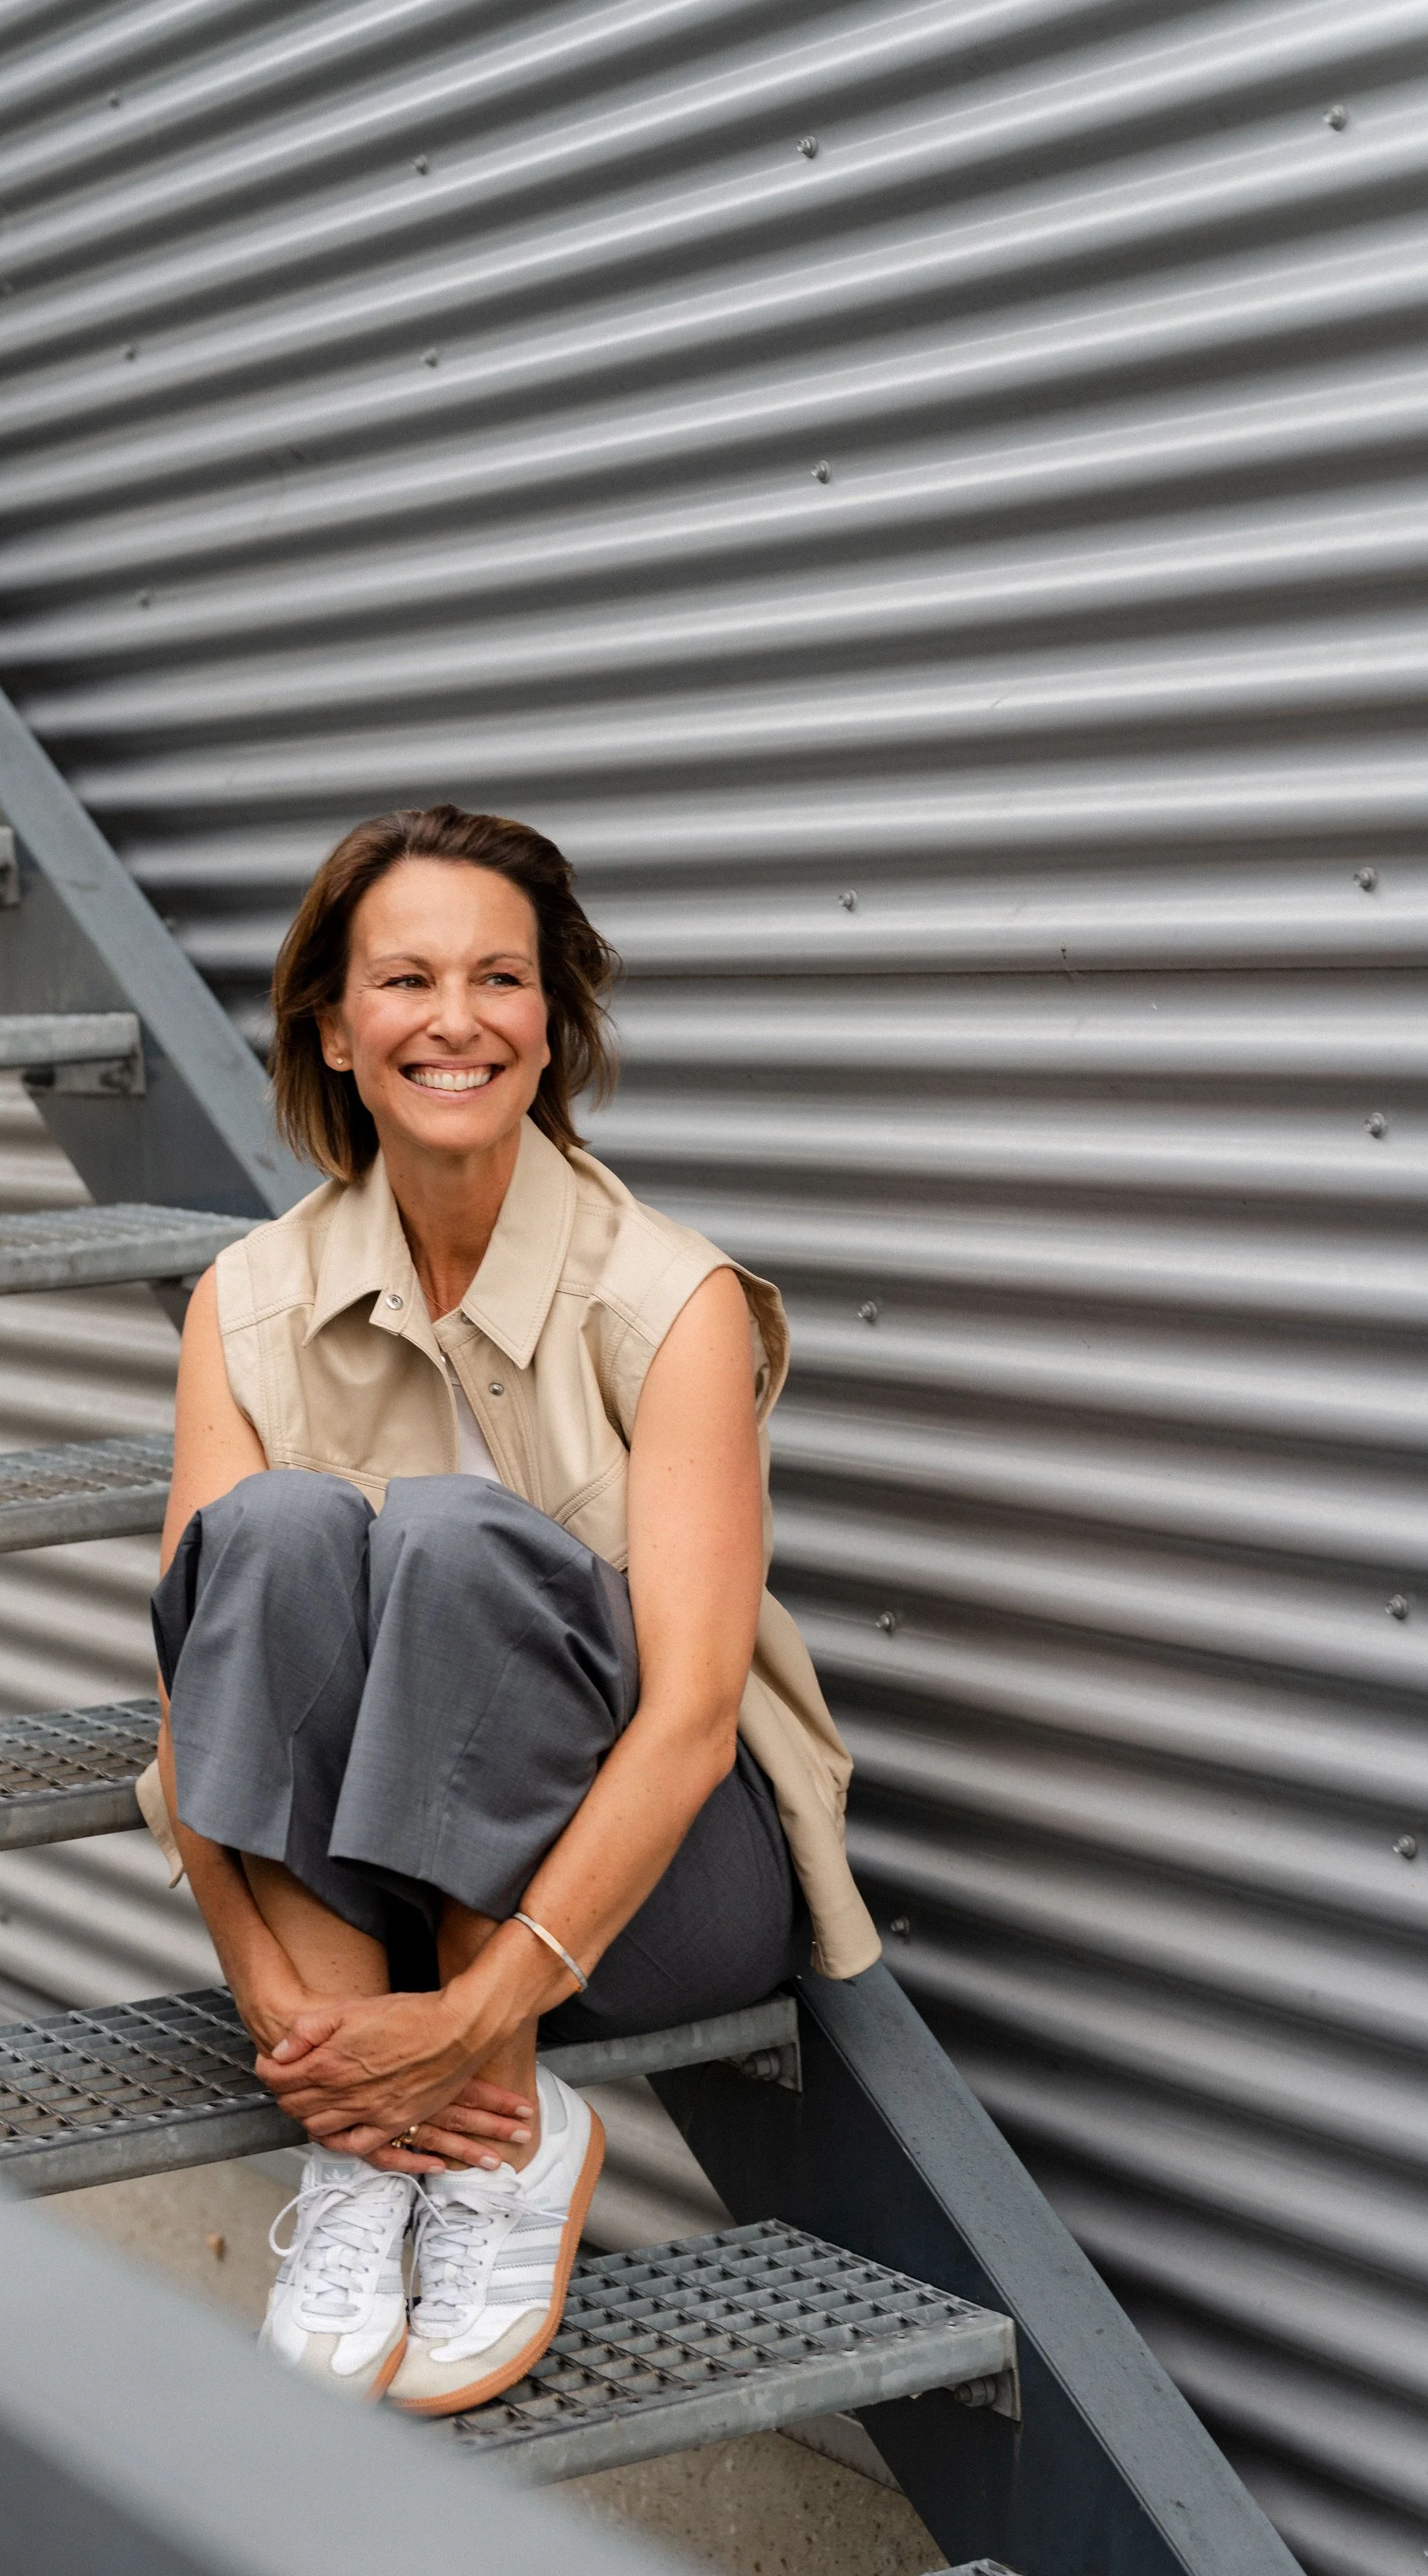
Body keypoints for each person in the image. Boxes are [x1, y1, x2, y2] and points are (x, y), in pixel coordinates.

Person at [142, 803, 879, 2417]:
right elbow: (201, 1681)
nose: (455, 1019)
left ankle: (492, 2141)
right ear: (335, 1030)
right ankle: (361, 2154)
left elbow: (689, 1716)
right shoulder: (247, 1304)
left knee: (460, 1546)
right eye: (404, 980)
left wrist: (474, 2018)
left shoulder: (665, 1298)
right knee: (266, 1533)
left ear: (552, 1026)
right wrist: (263, 1986)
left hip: (649, 1895)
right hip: (363, 1910)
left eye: (501, 979)